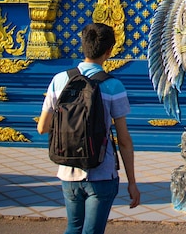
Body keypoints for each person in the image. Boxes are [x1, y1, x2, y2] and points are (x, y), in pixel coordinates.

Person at [37, 23, 140, 234]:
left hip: (68, 170)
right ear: (109, 51)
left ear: (83, 46)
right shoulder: (113, 86)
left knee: (73, 227)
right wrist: (132, 182)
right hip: (101, 171)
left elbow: (42, 128)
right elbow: (124, 140)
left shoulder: (59, 80)